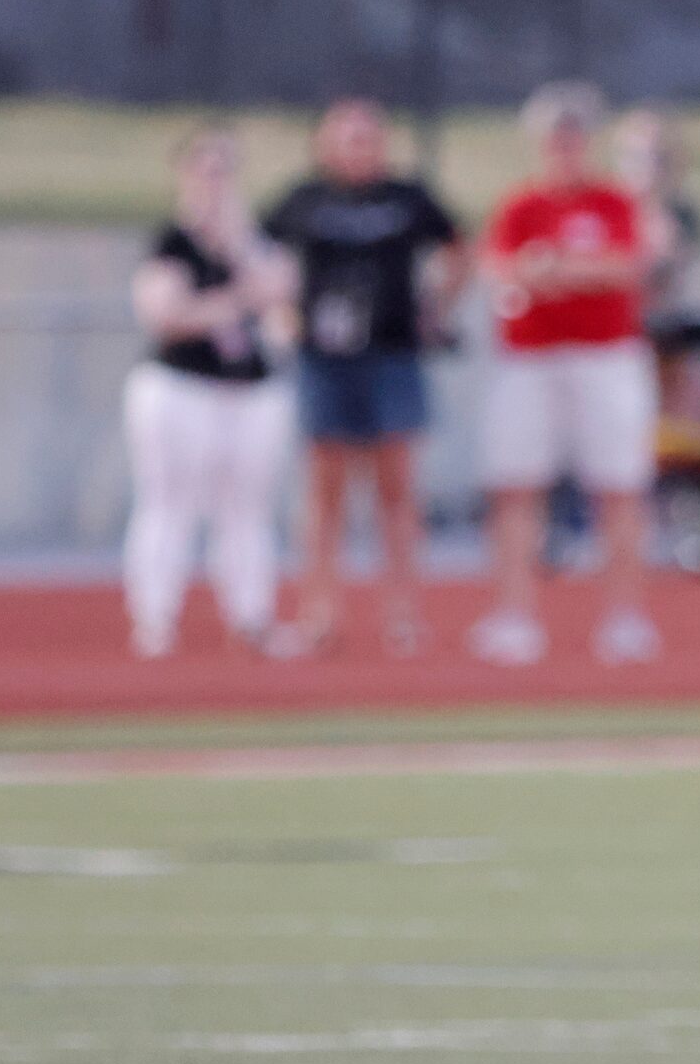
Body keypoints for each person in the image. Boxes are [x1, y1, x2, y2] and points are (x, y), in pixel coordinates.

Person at [260, 99, 466, 656]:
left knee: (395, 491)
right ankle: (318, 612)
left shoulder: (406, 198)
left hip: (392, 355)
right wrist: (279, 311)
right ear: (326, 145)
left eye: (368, 138)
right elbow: (263, 254)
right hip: (325, 361)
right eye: (348, 139)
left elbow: (457, 246)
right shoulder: (304, 200)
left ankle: (403, 615)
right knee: (324, 493)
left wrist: (438, 308)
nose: (358, 149)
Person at [471, 83, 663, 667]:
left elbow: (627, 268)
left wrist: (559, 269)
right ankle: (514, 614)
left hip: (605, 356)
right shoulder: (520, 206)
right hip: (532, 358)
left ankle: (625, 616)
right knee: (517, 485)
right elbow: (500, 273)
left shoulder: (613, 203)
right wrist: (551, 272)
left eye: (573, 138)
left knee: (620, 486)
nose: (564, 149)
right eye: (555, 139)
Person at [121, 127, 296, 658]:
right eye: (204, 167)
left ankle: (251, 616)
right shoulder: (171, 241)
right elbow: (166, 314)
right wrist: (238, 299)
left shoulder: (255, 239)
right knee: (169, 503)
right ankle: (155, 619)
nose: (215, 180)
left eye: (224, 168)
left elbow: (284, 298)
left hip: (250, 391)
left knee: (247, 511)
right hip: (182, 387)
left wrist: (238, 253)